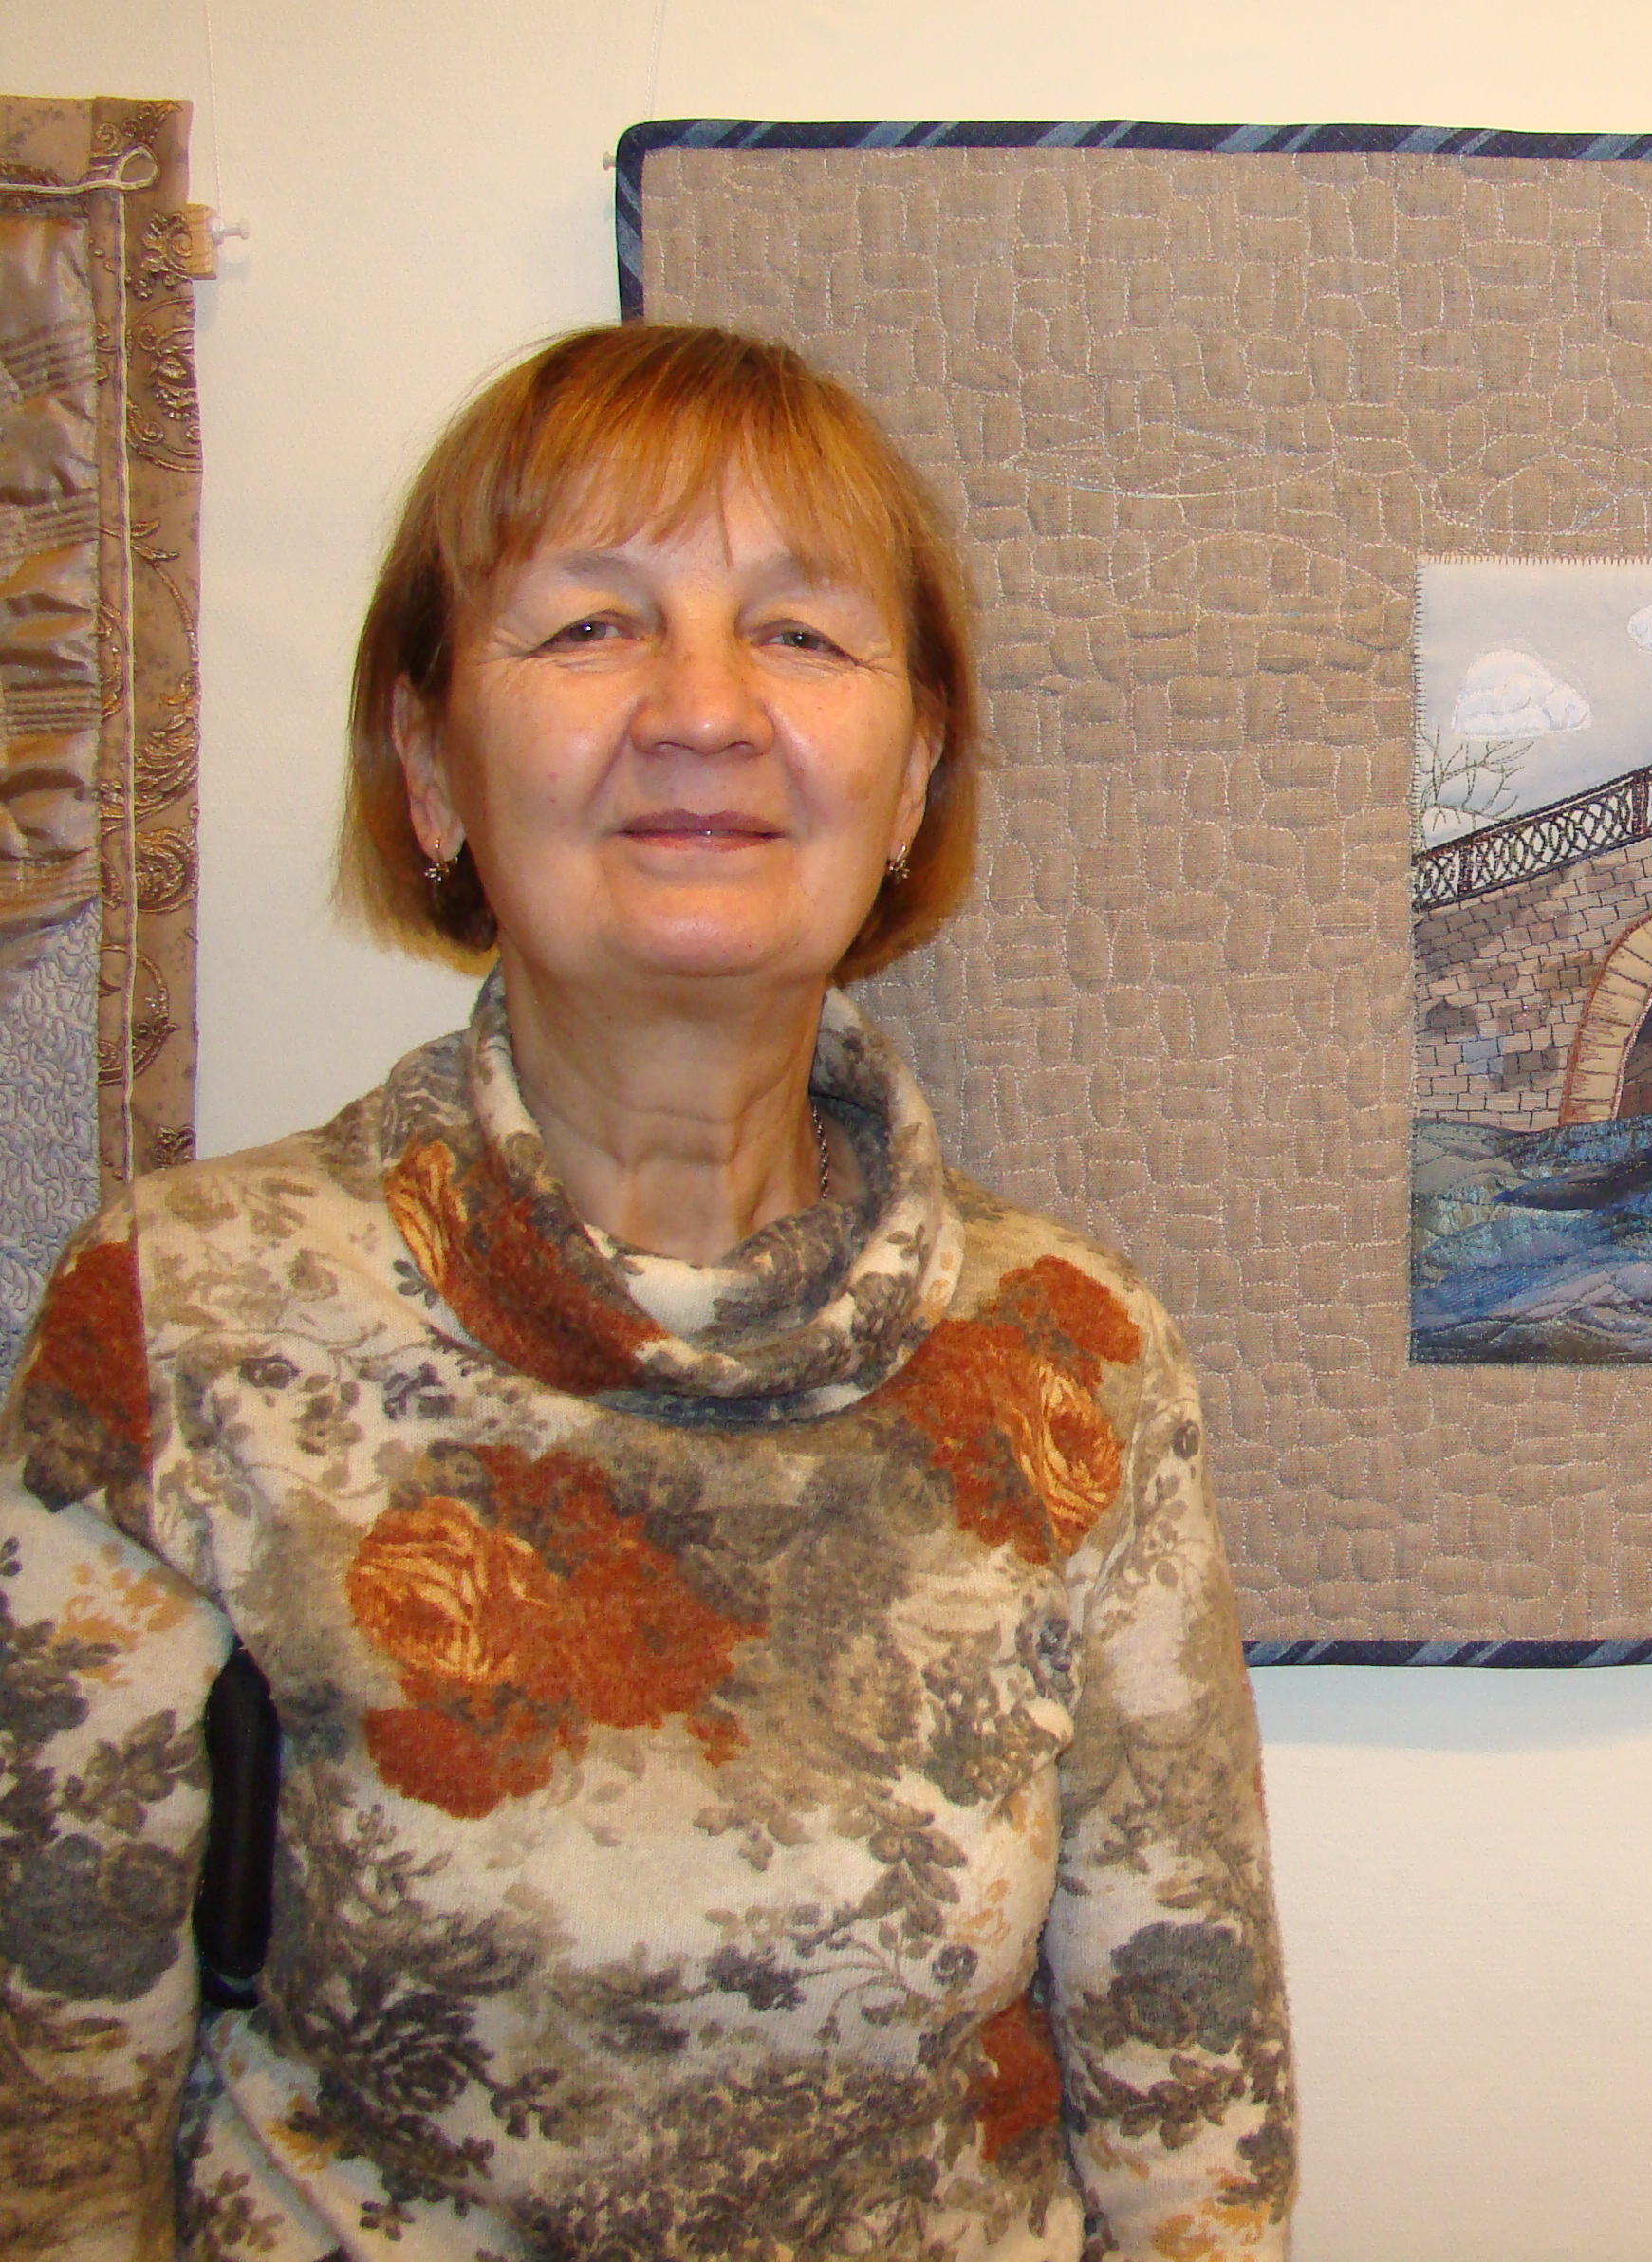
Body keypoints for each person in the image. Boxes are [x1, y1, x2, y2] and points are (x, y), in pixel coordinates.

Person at [0, 324, 1294, 2257]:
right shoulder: (189, 1319)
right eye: (593, 626)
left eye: (800, 633)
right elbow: (49, 2120)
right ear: (430, 764)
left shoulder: (1074, 1352)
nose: (703, 710)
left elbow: (1193, 2101)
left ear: (912, 775)